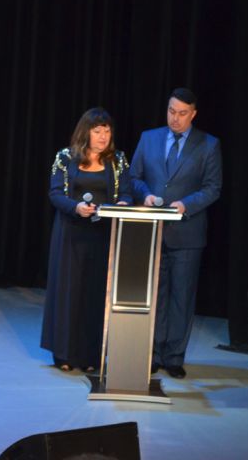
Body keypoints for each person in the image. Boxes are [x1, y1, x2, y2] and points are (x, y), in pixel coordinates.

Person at [130, 88, 222, 379]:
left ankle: (174, 357)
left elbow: (212, 188)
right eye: (171, 111)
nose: (175, 118)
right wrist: (145, 195)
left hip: (187, 234)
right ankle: (154, 353)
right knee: (156, 295)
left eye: (182, 113)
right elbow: (134, 177)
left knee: (182, 297)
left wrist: (186, 205)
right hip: (153, 232)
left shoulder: (209, 145)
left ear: (193, 114)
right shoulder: (149, 138)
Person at [41, 108, 132, 372]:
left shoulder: (118, 160)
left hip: (102, 236)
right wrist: (76, 207)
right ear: (86, 132)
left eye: (107, 131)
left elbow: (126, 193)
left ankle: (92, 355)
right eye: (97, 131)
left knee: (95, 293)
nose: (103, 136)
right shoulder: (65, 157)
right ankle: (64, 354)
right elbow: (55, 193)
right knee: (69, 292)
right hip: (70, 234)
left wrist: (122, 204)